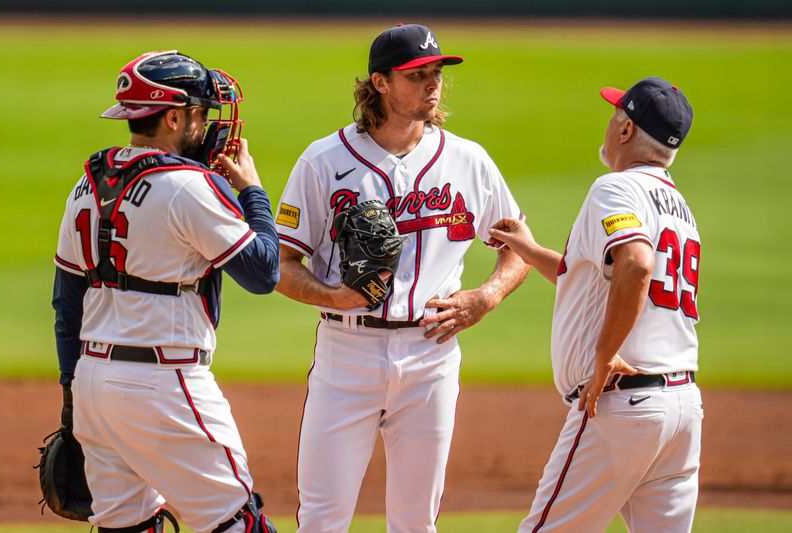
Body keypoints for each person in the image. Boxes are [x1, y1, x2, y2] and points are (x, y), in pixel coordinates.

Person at [273, 23, 530, 532]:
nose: (432, 84)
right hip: (347, 355)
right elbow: (281, 264)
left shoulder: (468, 160)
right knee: (322, 520)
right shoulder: (324, 161)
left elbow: (519, 247)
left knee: (417, 522)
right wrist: (334, 296)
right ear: (381, 83)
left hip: (432, 355)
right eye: (417, 74)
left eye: (436, 73)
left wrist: (487, 296)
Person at [52, 50, 279, 533]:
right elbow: (263, 273)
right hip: (163, 383)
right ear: (175, 116)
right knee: (239, 523)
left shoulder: (85, 187)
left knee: (127, 527)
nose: (209, 124)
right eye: (201, 113)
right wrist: (252, 191)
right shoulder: (190, 187)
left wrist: (72, 394)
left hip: (95, 385)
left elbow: (67, 303)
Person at [489, 77, 702, 532]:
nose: (609, 124)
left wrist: (604, 356)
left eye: (615, 115)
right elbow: (600, 279)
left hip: (625, 408)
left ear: (626, 131)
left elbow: (637, 265)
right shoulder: (678, 207)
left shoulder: (615, 188)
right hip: (682, 409)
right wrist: (529, 249)